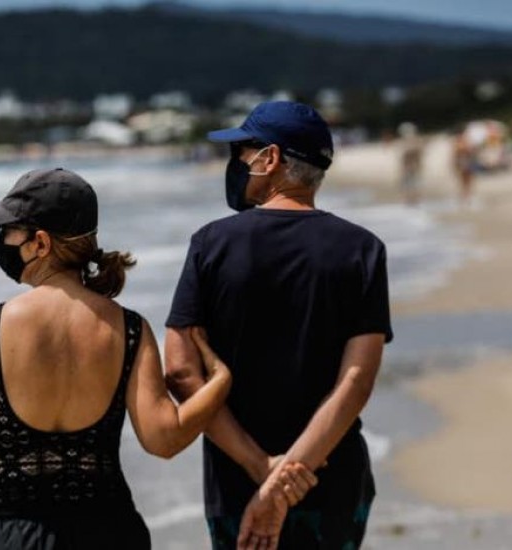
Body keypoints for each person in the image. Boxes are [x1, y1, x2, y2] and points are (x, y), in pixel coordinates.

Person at [0, 168, 313, 549]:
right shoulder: (128, 329)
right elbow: (163, 438)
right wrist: (219, 382)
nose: (3, 240)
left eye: (9, 231)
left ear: (40, 243)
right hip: (109, 532)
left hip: (10, 535)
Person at [164, 102, 393, 549]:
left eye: (240, 152)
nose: (234, 165)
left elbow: (180, 371)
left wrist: (262, 472)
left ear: (269, 159)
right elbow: (357, 379)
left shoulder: (211, 245)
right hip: (331, 475)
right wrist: (292, 476)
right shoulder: (363, 250)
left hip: (236, 477)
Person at [396, 122, 424, 205]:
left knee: (411, 184)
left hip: (411, 166)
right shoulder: (415, 142)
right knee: (410, 184)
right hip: (411, 166)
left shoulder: (412, 143)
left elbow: (415, 155)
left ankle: (412, 199)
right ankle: (411, 199)